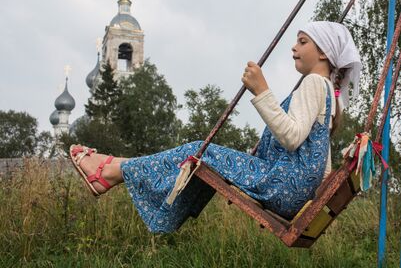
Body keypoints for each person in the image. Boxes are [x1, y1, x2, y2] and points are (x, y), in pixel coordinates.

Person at [69, 21, 362, 233]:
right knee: (201, 161)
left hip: (280, 185)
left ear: (323, 53)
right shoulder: (329, 94)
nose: (294, 47)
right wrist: (314, 196)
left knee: (199, 151)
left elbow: (292, 136)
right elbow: (321, 160)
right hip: (290, 191)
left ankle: (110, 171)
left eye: (302, 41)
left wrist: (261, 91)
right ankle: (114, 170)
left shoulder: (313, 83)